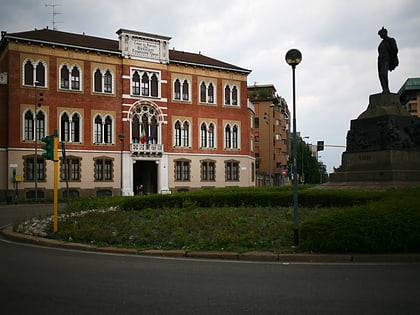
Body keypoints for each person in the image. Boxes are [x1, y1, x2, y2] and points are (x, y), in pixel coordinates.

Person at [377, 27, 398, 93]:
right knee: (380, 75)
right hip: (380, 60)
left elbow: (395, 50)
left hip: (386, 59)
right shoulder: (381, 43)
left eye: (381, 34)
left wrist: (392, 59)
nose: (381, 36)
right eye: (380, 35)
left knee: (384, 74)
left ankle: (386, 89)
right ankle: (384, 88)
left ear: (385, 33)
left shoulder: (391, 40)